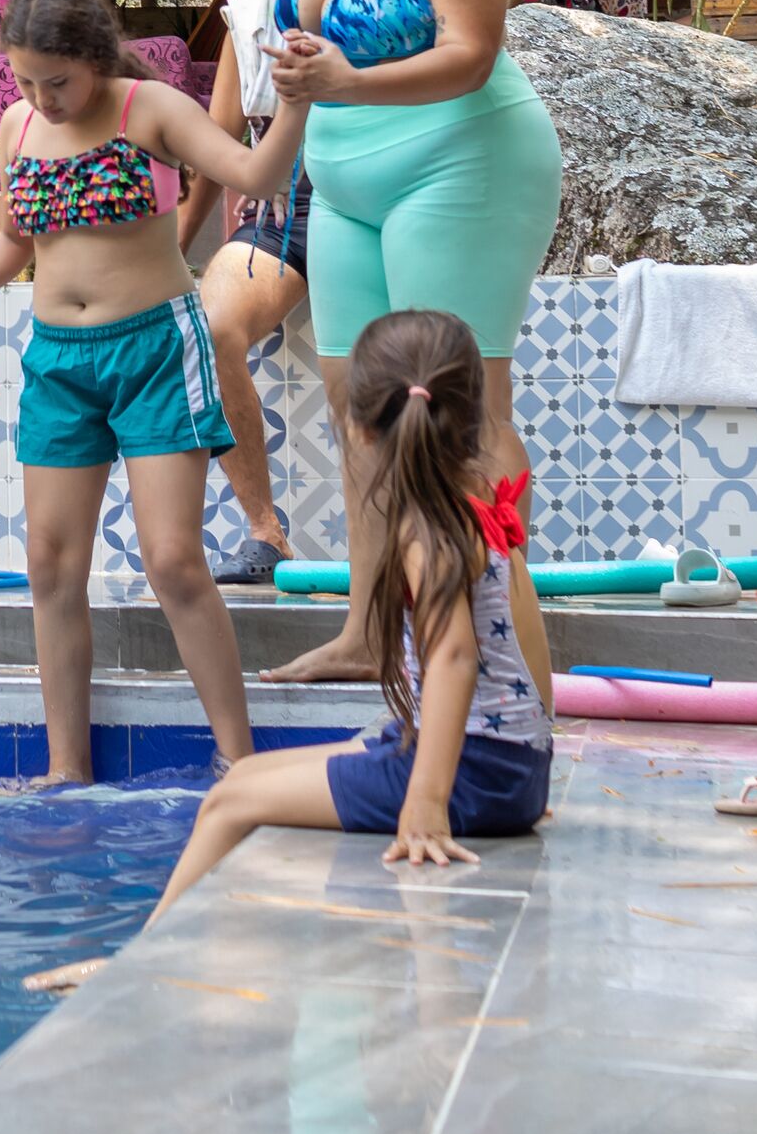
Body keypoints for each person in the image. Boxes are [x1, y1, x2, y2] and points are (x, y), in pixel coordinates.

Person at [0, 0, 310, 787]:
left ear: (93, 57)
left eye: (56, 80)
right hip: (59, 361)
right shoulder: (19, 126)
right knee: (51, 567)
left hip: (156, 349)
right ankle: (68, 769)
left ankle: (239, 763)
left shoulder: (147, 110)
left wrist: (296, 105)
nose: (40, 97)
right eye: (24, 80)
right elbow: (17, 240)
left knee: (172, 560)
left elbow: (256, 175)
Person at [261, 0, 563, 689]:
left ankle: (520, 671)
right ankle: (364, 631)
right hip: (346, 179)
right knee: (362, 415)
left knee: (463, 425)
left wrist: (348, 72)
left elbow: (472, 50)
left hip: (461, 161)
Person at [155, 305, 553, 911]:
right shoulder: (472, 509)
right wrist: (527, 758)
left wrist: (426, 800)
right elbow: (527, 652)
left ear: (359, 427)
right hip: (504, 767)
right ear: (471, 417)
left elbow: (453, 658)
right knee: (242, 777)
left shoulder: (427, 531)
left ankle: (139, 963)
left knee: (225, 805)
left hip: (474, 777)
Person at [173, 0, 310, 586]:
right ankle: (265, 532)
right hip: (284, 212)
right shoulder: (248, 22)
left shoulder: (378, 12)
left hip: (371, 208)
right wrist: (174, 250)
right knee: (210, 326)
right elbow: (217, 144)